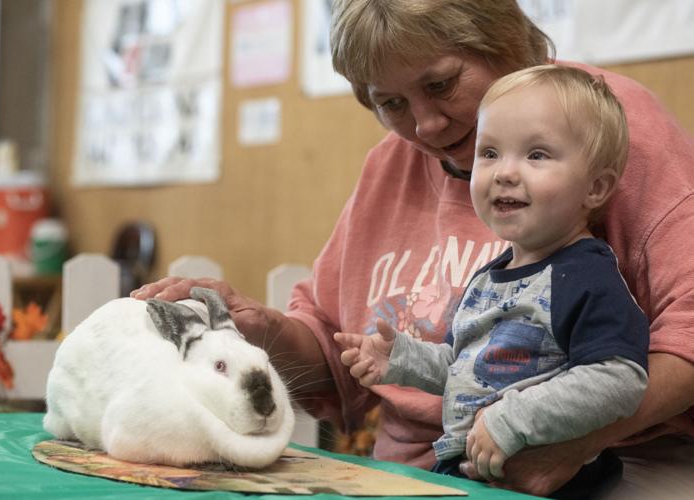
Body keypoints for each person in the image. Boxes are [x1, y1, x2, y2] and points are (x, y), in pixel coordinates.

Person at [131, 1, 694, 497]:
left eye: (442, 85)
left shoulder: (602, 124)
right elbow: (339, 356)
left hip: (607, 459)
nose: (424, 124)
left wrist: (569, 443)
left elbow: (684, 336)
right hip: (424, 473)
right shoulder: (387, 166)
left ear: (504, 44)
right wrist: (258, 327)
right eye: (390, 103)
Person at [334, 64, 649, 499]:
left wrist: (513, 418)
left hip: (547, 480)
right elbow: (471, 370)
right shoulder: (489, 277)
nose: (504, 172)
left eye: (536, 155)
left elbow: (621, 379)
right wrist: (401, 359)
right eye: (490, 153)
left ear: (595, 188)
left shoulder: (585, 275)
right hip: (467, 471)